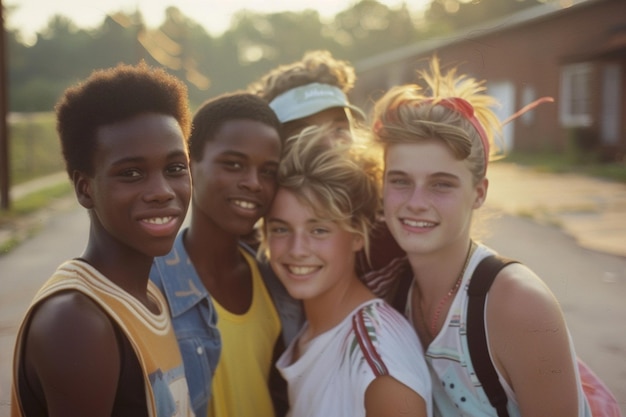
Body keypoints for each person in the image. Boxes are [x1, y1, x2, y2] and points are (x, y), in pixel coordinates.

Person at [371, 56, 592, 417]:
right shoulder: (397, 289)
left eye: (441, 184)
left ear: (479, 193)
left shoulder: (518, 304)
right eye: (400, 181)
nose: (415, 203)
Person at [11, 62, 195, 417]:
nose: (161, 191)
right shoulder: (77, 323)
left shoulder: (149, 296)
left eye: (175, 168)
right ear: (85, 189)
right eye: (131, 173)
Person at [260, 126, 433, 417]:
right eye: (281, 229)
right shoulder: (313, 330)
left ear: (357, 236)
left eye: (319, 229)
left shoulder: (378, 363)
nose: (297, 249)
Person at [149, 92, 302, 417]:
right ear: (190, 162)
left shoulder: (276, 278)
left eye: (268, 171)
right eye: (233, 165)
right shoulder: (149, 289)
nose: (253, 183)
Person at [250, 49, 410, 298]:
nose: (329, 144)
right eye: (306, 132)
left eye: (338, 127)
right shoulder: (256, 223)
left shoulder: (396, 215)